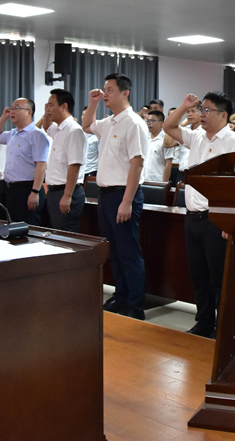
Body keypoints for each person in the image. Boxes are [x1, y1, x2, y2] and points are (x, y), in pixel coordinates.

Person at [163, 92, 235, 338]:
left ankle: (225, 329)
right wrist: (184, 105)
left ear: (223, 115)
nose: (202, 114)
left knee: (219, 279)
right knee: (198, 275)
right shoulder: (196, 136)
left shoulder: (234, 142)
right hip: (193, 217)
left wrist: (229, 218)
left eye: (207, 110)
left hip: (216, 220)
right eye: (201, 110)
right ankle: (204, 323)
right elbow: (169, 126)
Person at [82, 73, 149, 320]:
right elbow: (86, 125)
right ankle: (120, 298)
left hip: (124, 193)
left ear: (125, 93)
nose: (106, 93)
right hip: (106, 194)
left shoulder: (133, 123)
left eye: (110, 90)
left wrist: (127, 201)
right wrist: (93, 102)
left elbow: (137, 164)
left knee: (129, 252)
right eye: (104, 89)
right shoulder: (109, 121)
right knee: (115, 252)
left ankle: (135, 305)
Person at [0, 98, 49, 225]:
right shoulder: (12, 134)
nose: (12, 111)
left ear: (29, 112)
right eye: (11, 108)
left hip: (28, 189)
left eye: (17, 108)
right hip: (11, 189)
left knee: (29, 227)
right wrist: (4, 117)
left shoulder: (37, 135)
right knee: (13, 227)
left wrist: (35, 192)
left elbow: (41, 165)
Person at [41, 89, 87, 232]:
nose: (48, 109)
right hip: (54, 192)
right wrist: (47, 111)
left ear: (64, 106)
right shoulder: (58, 129)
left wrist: (67, 196)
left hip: (67, 191)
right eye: (47, 105)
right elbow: (46, 126)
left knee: (66, 234)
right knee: (56, 233)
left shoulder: (74, 130)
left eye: (51, 105)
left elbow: (74, 165)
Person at [142, 110, 173, 182]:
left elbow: (168, 163)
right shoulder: (145, 138)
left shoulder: (166, 140)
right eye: (147, 121)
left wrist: (165, 183)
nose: (149, 123)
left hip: (157, 181)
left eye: (152, 121)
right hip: (143, 180)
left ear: (161, 123)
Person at [81, 106, 99, 179]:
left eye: (86, 115)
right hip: (79, 173)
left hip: (91, 173)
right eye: (83, 115)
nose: (84, 117)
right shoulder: (79, 133)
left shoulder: (97, 135)